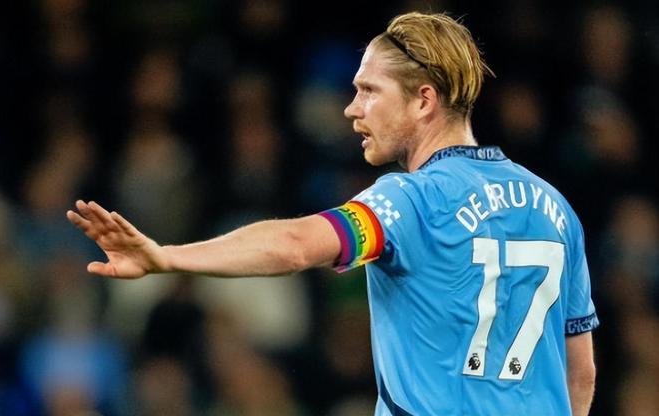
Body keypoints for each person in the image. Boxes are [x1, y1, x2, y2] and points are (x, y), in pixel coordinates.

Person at [67, 11, 598, 416]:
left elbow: (298, 245)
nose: (352, 108)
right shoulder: (556, 208)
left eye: (368, 91)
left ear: (423, 100)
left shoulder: (409, 200)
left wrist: (166, 257)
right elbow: (582, 375)